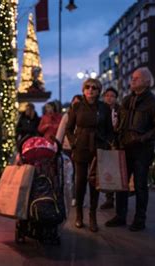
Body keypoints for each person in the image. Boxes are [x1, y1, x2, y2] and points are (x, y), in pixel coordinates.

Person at [105, 67, 155, 231]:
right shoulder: (126, 100)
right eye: (132, 78)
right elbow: (121, 124)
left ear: (147, 82)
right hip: (124, 148)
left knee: (140, 185)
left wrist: (141, 138)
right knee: (122, 184)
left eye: (136, 78)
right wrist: (117, 139)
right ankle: (120, 215)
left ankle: (140, 219)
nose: (132, 80)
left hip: (142, 150)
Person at [66, 78, 114, 232]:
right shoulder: (77, 106)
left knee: (94, 183)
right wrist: (74, 142)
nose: (91, 90)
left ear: (99, 91)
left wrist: (107, 144)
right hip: (81, 147)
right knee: (80, 182)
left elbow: (109, 130)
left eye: (94, 87)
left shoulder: (104, 108)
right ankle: (79, 214)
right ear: (83, 90)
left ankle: (92, 216)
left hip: (98, 147)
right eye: (87, 87)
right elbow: (69, 128)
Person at [56, 94, 81, 207]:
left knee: (79, 175)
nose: (75, 104)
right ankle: (70, 196)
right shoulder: (67, 116)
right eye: (74, 101)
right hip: (67, 148)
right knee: (69, 174)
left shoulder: (84, 116)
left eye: (78, 102)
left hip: (81, 148)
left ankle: (77, 196)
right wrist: (56, 146)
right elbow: (60, 132)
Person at [100, 87, 120, 210]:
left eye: (112, 96)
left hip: (117, 143)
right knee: (106, 171)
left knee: (117, 171)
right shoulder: (100, 110)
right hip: (104, 144)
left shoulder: (120, 110)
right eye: (107, 95)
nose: (109, 98)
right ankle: (109, 198)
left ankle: (119, 198)